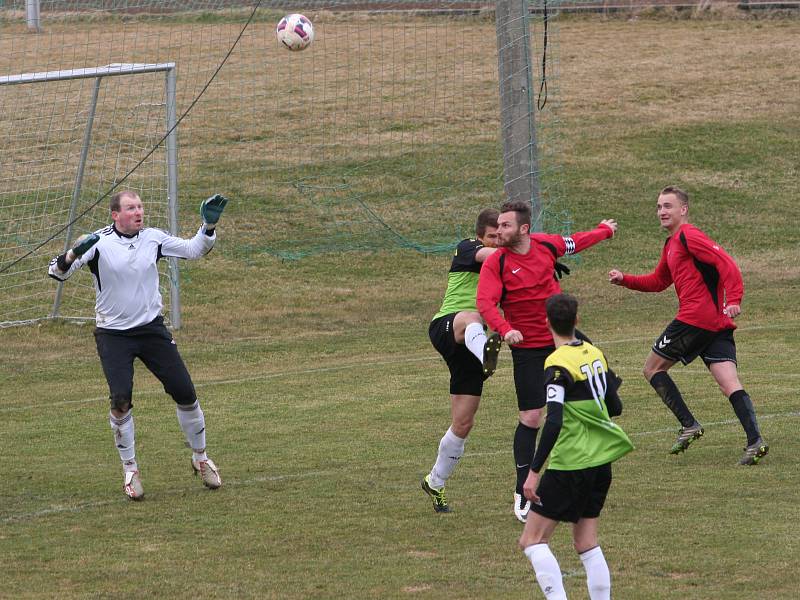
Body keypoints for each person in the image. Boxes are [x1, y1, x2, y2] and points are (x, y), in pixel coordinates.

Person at [48, 189, 229, 500]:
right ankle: (130, 470)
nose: (138, 212)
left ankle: (201, 458)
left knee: (185, 393)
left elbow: (194, 250)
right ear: (115, 215)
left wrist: (208, 227)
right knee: (120, 401)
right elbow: (56, 273)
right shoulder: (98, 243)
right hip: (113, 335)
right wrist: (73, 254)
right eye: (131, 208)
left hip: (151, 331)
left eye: (140, 207)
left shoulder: (153, 238)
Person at [476, 200, 619, 522]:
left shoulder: (546, 245)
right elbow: (485, 302)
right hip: (526, 347)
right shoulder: (495, 263)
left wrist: (604, 231)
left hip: (563, 339)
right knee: (531, 417)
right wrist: (505, 329)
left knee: (602, 385)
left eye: (505, 226)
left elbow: (575, 242)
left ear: (524, 229)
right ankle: (521, 490)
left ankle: (592, 463)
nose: (498, 232)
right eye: (497, 226)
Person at [608, 185, 768, 465]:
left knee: (652, 368)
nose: (661, 212)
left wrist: (735, 298)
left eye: (667, 206)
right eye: (658, 207)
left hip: (696, 319)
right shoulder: (671, 243)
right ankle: (755, 441)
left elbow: (725, 262)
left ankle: (689, 425)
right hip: (715, 324)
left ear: (683, 209)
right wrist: (625, 279)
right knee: (729, 383)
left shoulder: (688, 235)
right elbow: (658, 281)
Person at [519, 293, 633, 600]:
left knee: (532, 540)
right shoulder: (595, 353)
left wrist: (533, 472)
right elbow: (615, 405)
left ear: (547, 323)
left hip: (572, 462)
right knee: (586, 542)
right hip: (601, 461)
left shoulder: (556, 364)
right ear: (577, 321)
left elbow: (553, 420)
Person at [421, 208, 503, 513]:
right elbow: (490, 258)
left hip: (471, 344)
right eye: (492, 237)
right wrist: (529, 254)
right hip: (446, 326)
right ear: (481, 235)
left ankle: (435, 481)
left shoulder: (505, 265)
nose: (496, 242)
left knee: (463, 422)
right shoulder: (469, 248)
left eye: (500, 236)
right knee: (472, 317)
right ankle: (486, 353)